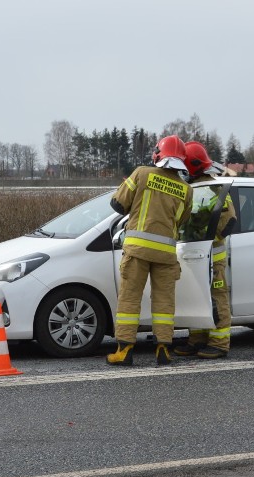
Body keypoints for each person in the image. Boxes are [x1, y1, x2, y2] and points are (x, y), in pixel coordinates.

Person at [106, 135, 193, 366]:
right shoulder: (186, 189)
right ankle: (163, 348)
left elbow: (117, 204)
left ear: (158, 154)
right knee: (164, 303)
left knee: (129, 300)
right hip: (166, 254)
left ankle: (124, 351)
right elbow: (182, 221)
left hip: (137, 252)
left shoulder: (142, 174)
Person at [174, 141, 236, 359]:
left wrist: (204, 237)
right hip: (196, 255)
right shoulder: (194, 189)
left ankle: (220, 343)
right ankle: (197, 340)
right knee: (197, 297)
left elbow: (228, 222)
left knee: (217, 299)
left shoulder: (213, 189)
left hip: (212, 257)